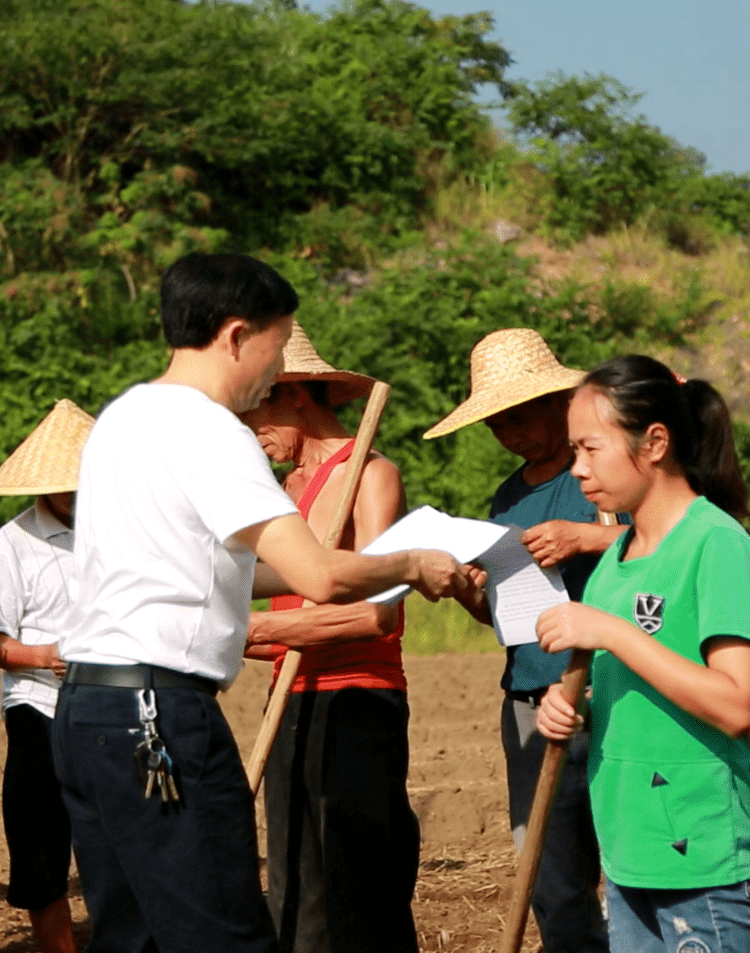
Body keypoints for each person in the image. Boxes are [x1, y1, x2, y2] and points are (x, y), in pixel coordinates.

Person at [50, 252, 472, 953]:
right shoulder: (214, 430)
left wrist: (366, 565)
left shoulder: (122, 420)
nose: (278, 371)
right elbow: (320, 574)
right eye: (279, 345)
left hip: (87, 709)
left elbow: (217, 572)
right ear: (238, 334)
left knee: (133, 936)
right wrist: (411, 564)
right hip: (158, 713)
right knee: (227, 933)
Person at [534, 355, 750, 953]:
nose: (578, 470)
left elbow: (738, 704)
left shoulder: (715, 545)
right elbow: (621, 685)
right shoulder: (620, 557)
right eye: (574, 451)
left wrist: (611, 632)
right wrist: (568, 706)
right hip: (628, 846)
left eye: (591, 449)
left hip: (697, 853)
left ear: (655, 442)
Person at [423, 328, 621, 953]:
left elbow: (667, 546)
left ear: (559, 403)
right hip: (531, 693)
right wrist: (466, 590)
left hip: (611, 684)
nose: (506, 431)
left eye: (516, 414)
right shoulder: (507, 498)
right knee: (550, 871)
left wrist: (583, 538)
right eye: (494, 422)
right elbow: (503, 615)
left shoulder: (604, 475)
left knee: (627, 859)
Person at [239, 326, 419, 953]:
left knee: (359, 882)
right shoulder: (281, 492)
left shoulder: (369, 474)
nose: (249, 429)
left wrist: (262, 628)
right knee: (292, 880)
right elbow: (260, 602)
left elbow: (379, 615)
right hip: (289, 698)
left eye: (256, 407)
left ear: (295, 396)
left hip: (357, 700)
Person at [0, 399, 95, 953]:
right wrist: (45, 657)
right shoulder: (15, 542)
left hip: (112, 704)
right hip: (37, 706)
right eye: (66, 484)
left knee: (121, 839)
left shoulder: (125, 532)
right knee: (40, 849)